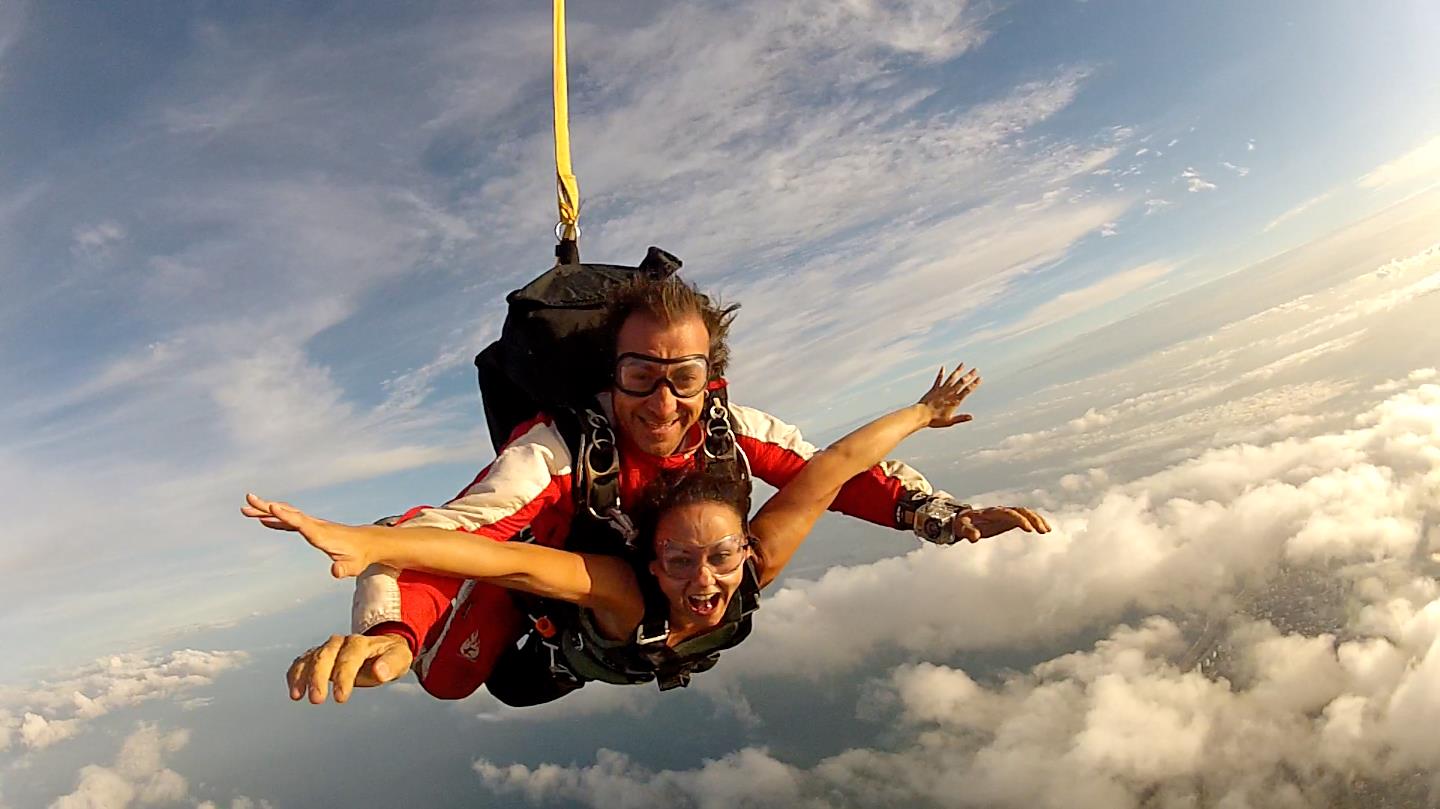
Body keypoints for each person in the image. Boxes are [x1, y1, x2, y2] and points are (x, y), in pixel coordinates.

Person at [250, 275, 1048, 705]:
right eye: (640, 374)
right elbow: (458, 538)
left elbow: (831, 470)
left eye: (684, 377)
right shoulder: (559, 455)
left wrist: (938, 513)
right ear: (613, 374)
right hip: (572, 602)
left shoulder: (732, 436)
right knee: (455, 678)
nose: (663, 403)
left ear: (712, 377)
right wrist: (393, 628)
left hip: (632, 618)